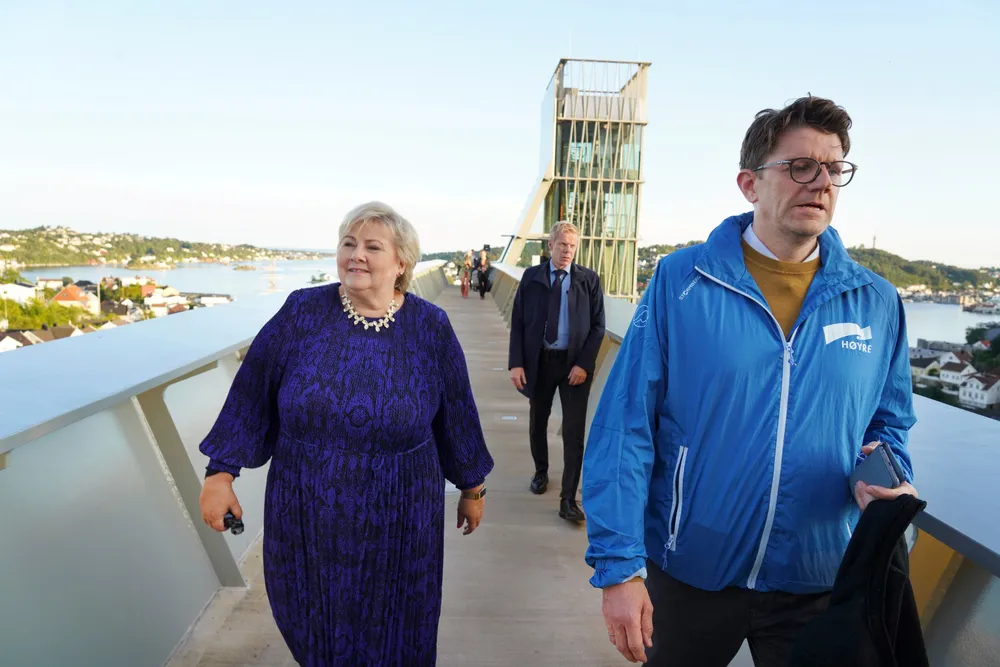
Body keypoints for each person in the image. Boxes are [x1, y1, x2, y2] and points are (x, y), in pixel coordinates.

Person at [582, 96, 919, 666]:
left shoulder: (876, 301)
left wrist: (889, 479)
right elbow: (625, 427)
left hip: (817, 576)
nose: (821, 183)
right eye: (800, 167)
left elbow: (889, 424)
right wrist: (619, 569)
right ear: (749, 184)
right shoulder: (681, 280)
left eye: (834, 169)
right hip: (690, 567)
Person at [198, 201, 494, 666]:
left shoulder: (430, 327)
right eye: (348, 243)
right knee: (313, 626)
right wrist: (221, 473)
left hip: (400, 515)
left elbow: (456, 412)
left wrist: (472, 487)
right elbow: (253, 389)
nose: (356, 255)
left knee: (397, 631)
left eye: (372, 247)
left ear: (401, 263)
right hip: (306, 511)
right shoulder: (302, 312)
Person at [509, 221, 605, 523]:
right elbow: (518, 322)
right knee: (537, 421)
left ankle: (568, 499)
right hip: (539, 361)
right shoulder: (531, 277)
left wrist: (584, 364)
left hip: (574, 366)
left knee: (574, 432)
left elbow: (598, 326)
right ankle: (541, 473)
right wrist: (516, 362)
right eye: (562, 244)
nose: (567, 251)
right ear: (550, 245)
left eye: (572, 246)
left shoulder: (588, 280)